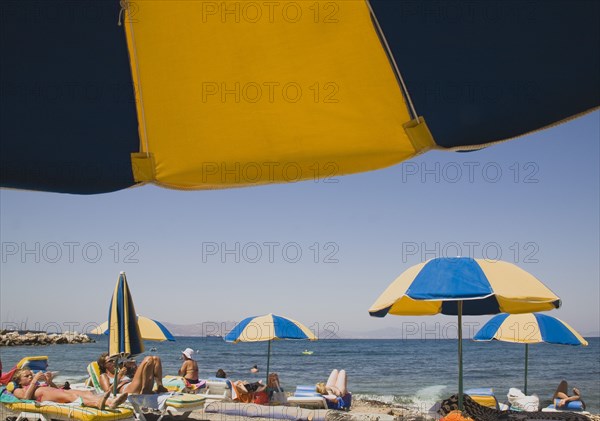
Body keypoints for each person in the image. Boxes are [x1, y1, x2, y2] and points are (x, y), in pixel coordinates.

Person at [10, 368, 128, 409]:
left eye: (31, 374)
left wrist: (49, 381)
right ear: (19, 381)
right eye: (27, 376)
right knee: (72, 396)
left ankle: (111, 402)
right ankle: (97, 404)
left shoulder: (35, 385)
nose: (30, 376)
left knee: (85, 392)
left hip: (56, 392)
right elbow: (26, 398)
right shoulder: (18, 390)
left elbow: (54, 389)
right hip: (43, 397)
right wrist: (35, 380)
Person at [97, 352, 168, 394]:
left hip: (134, 385)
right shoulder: (104, 376)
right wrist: (119, 376)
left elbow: (138, 376)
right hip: (128, 389)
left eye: (114, 360)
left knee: (156, 359)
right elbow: (108, 392)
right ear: (103, 365)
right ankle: (144, 390)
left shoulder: (120, 369)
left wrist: (134, 367)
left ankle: (160, 386)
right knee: (148, 359)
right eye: (110, 361)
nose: (113, 362)